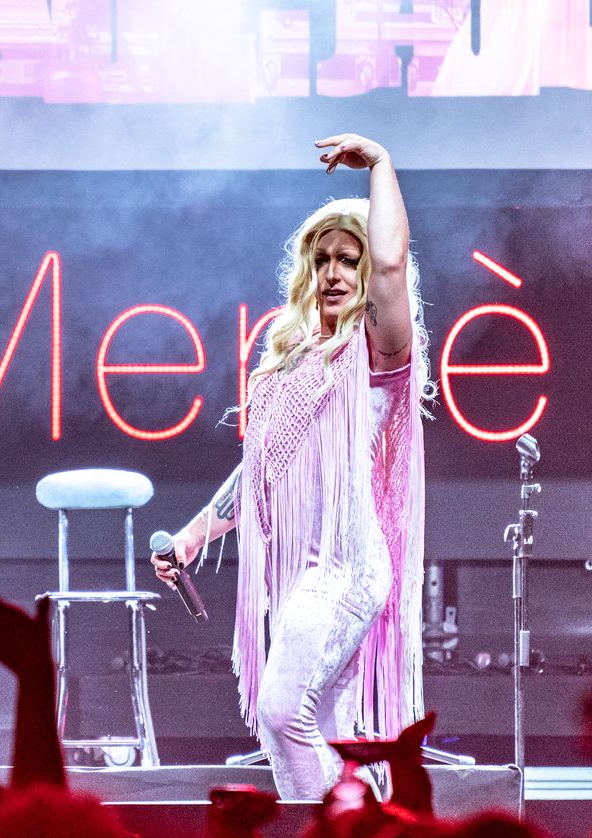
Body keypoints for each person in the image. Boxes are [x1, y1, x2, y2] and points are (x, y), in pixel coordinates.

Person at [152, 132, 429, 799]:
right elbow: (262, 470)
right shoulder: (293, 360)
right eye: (323, 259)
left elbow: (392, 268)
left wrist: (381, 165)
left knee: (282, 714)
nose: (334, 272)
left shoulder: (378, 352)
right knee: (317, 729)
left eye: (348, 260)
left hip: (345, 565)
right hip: (298, 571)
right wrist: (192, 535)